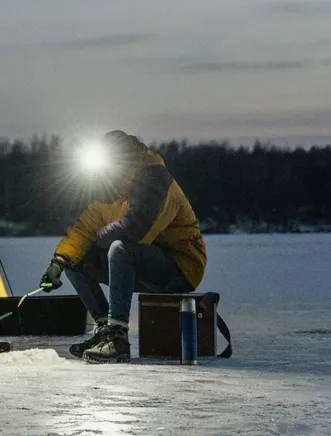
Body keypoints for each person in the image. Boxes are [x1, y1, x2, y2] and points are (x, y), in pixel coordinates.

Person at [39, 130, 206, 363]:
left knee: (120, 249)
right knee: (75, 260)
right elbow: (82, 230)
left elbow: (137, 231)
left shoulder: (156, 180)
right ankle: (103, 330)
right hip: (141, 262)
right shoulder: (108, 191)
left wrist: (98, 239)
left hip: (180, 266)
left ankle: (117, 339)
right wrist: (58, 263)